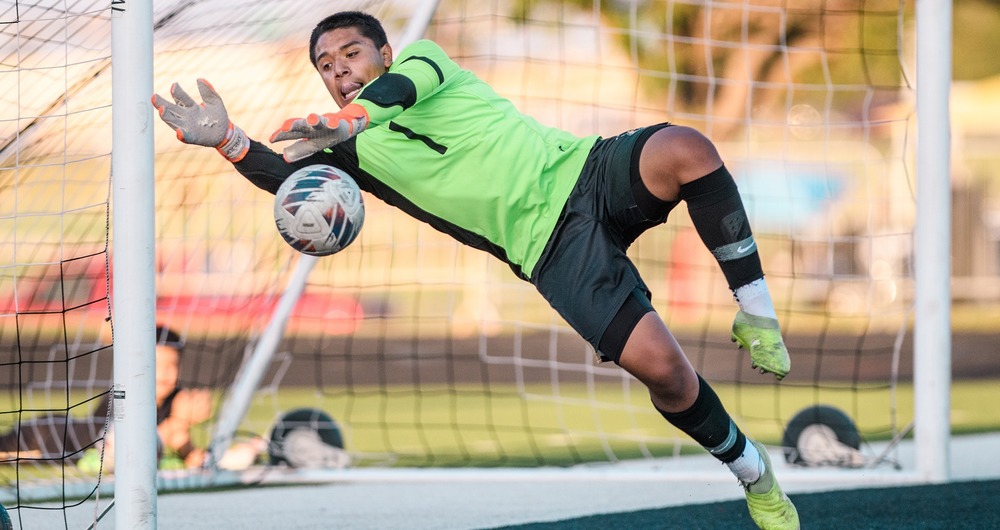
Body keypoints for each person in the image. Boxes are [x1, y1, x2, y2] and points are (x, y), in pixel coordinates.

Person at [151, 11, 798, 529]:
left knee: (686, 147)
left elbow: (392, 97)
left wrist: (343, 119)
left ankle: (757, 311)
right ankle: (752, 474)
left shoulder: (427, 63)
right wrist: (229, 139)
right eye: (325, 65)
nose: (339, 69)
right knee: (667, 374)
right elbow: (292, 180)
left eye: (350, 54)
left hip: (586, 171)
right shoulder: (350, 154)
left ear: (384, 54)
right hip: (551, 252)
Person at [0, 326, 213, 471]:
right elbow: (118, 451)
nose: (166, 374)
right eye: (157, 365)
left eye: (172, 365)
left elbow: (187, 452)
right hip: (51, 436)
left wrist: (186, 439)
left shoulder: (175, 400)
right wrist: (177, 423)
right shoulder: (122, 395)